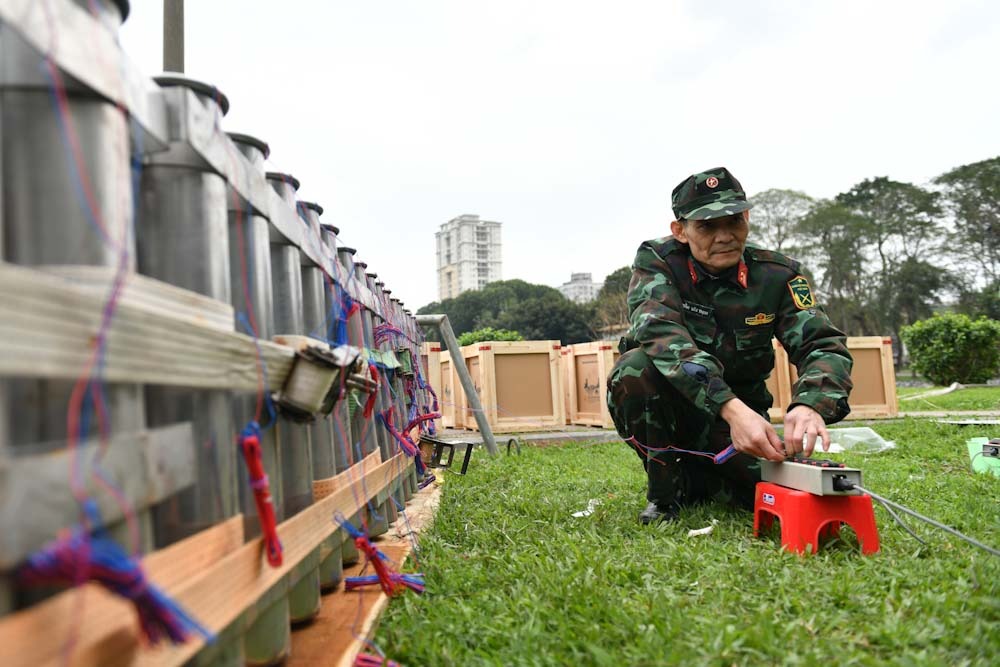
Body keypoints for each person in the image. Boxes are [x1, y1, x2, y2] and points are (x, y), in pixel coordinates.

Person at [607, 166, 854, 524]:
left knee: (779, 490)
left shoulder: (777, 275)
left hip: (746, 422)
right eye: (707, 226)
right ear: (680, 230)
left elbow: (822, 344)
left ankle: (701, 476)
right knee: (635, 367)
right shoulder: (658, 262)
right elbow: (661, 334)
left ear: (747, 219)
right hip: (679, 409)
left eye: (733, 221)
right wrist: (730, 409)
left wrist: (809, 404)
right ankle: (665, 495)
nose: (724, 236)